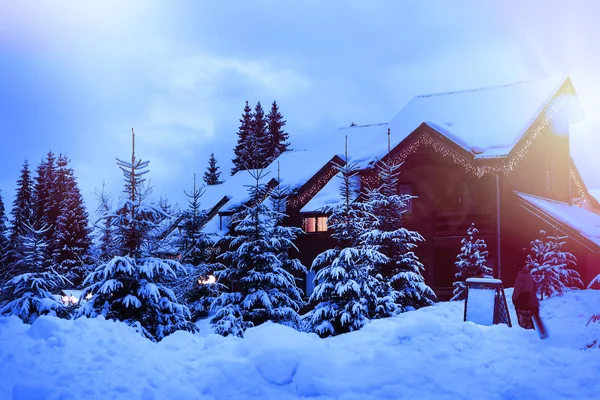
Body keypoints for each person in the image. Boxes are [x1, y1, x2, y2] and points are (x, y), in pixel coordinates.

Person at [512, 264, 547, 338]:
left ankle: (530, 336)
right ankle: (542, 332)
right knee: (535, 317)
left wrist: (514, 298)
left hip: (524, 301)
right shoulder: (529, 276)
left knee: (525, 319)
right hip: (533, 300)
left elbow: (517, 289)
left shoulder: (520, 276)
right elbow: (535, 286)